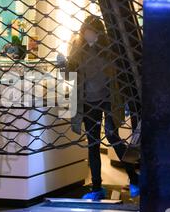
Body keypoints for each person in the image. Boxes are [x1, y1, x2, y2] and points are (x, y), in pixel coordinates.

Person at [58, 15, 140, 200]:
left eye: (91, 32)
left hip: (108, 100)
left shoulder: (111, 50)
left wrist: (126, 101)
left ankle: (134, 178)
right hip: (88, 102)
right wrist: (62, 66)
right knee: (93, 143)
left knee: (112, 135)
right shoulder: (78, 50)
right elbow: (70, 76)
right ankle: (96, 187)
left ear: (98, 33)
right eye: (85, 32)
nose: (88, 36)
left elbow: (121, 77)